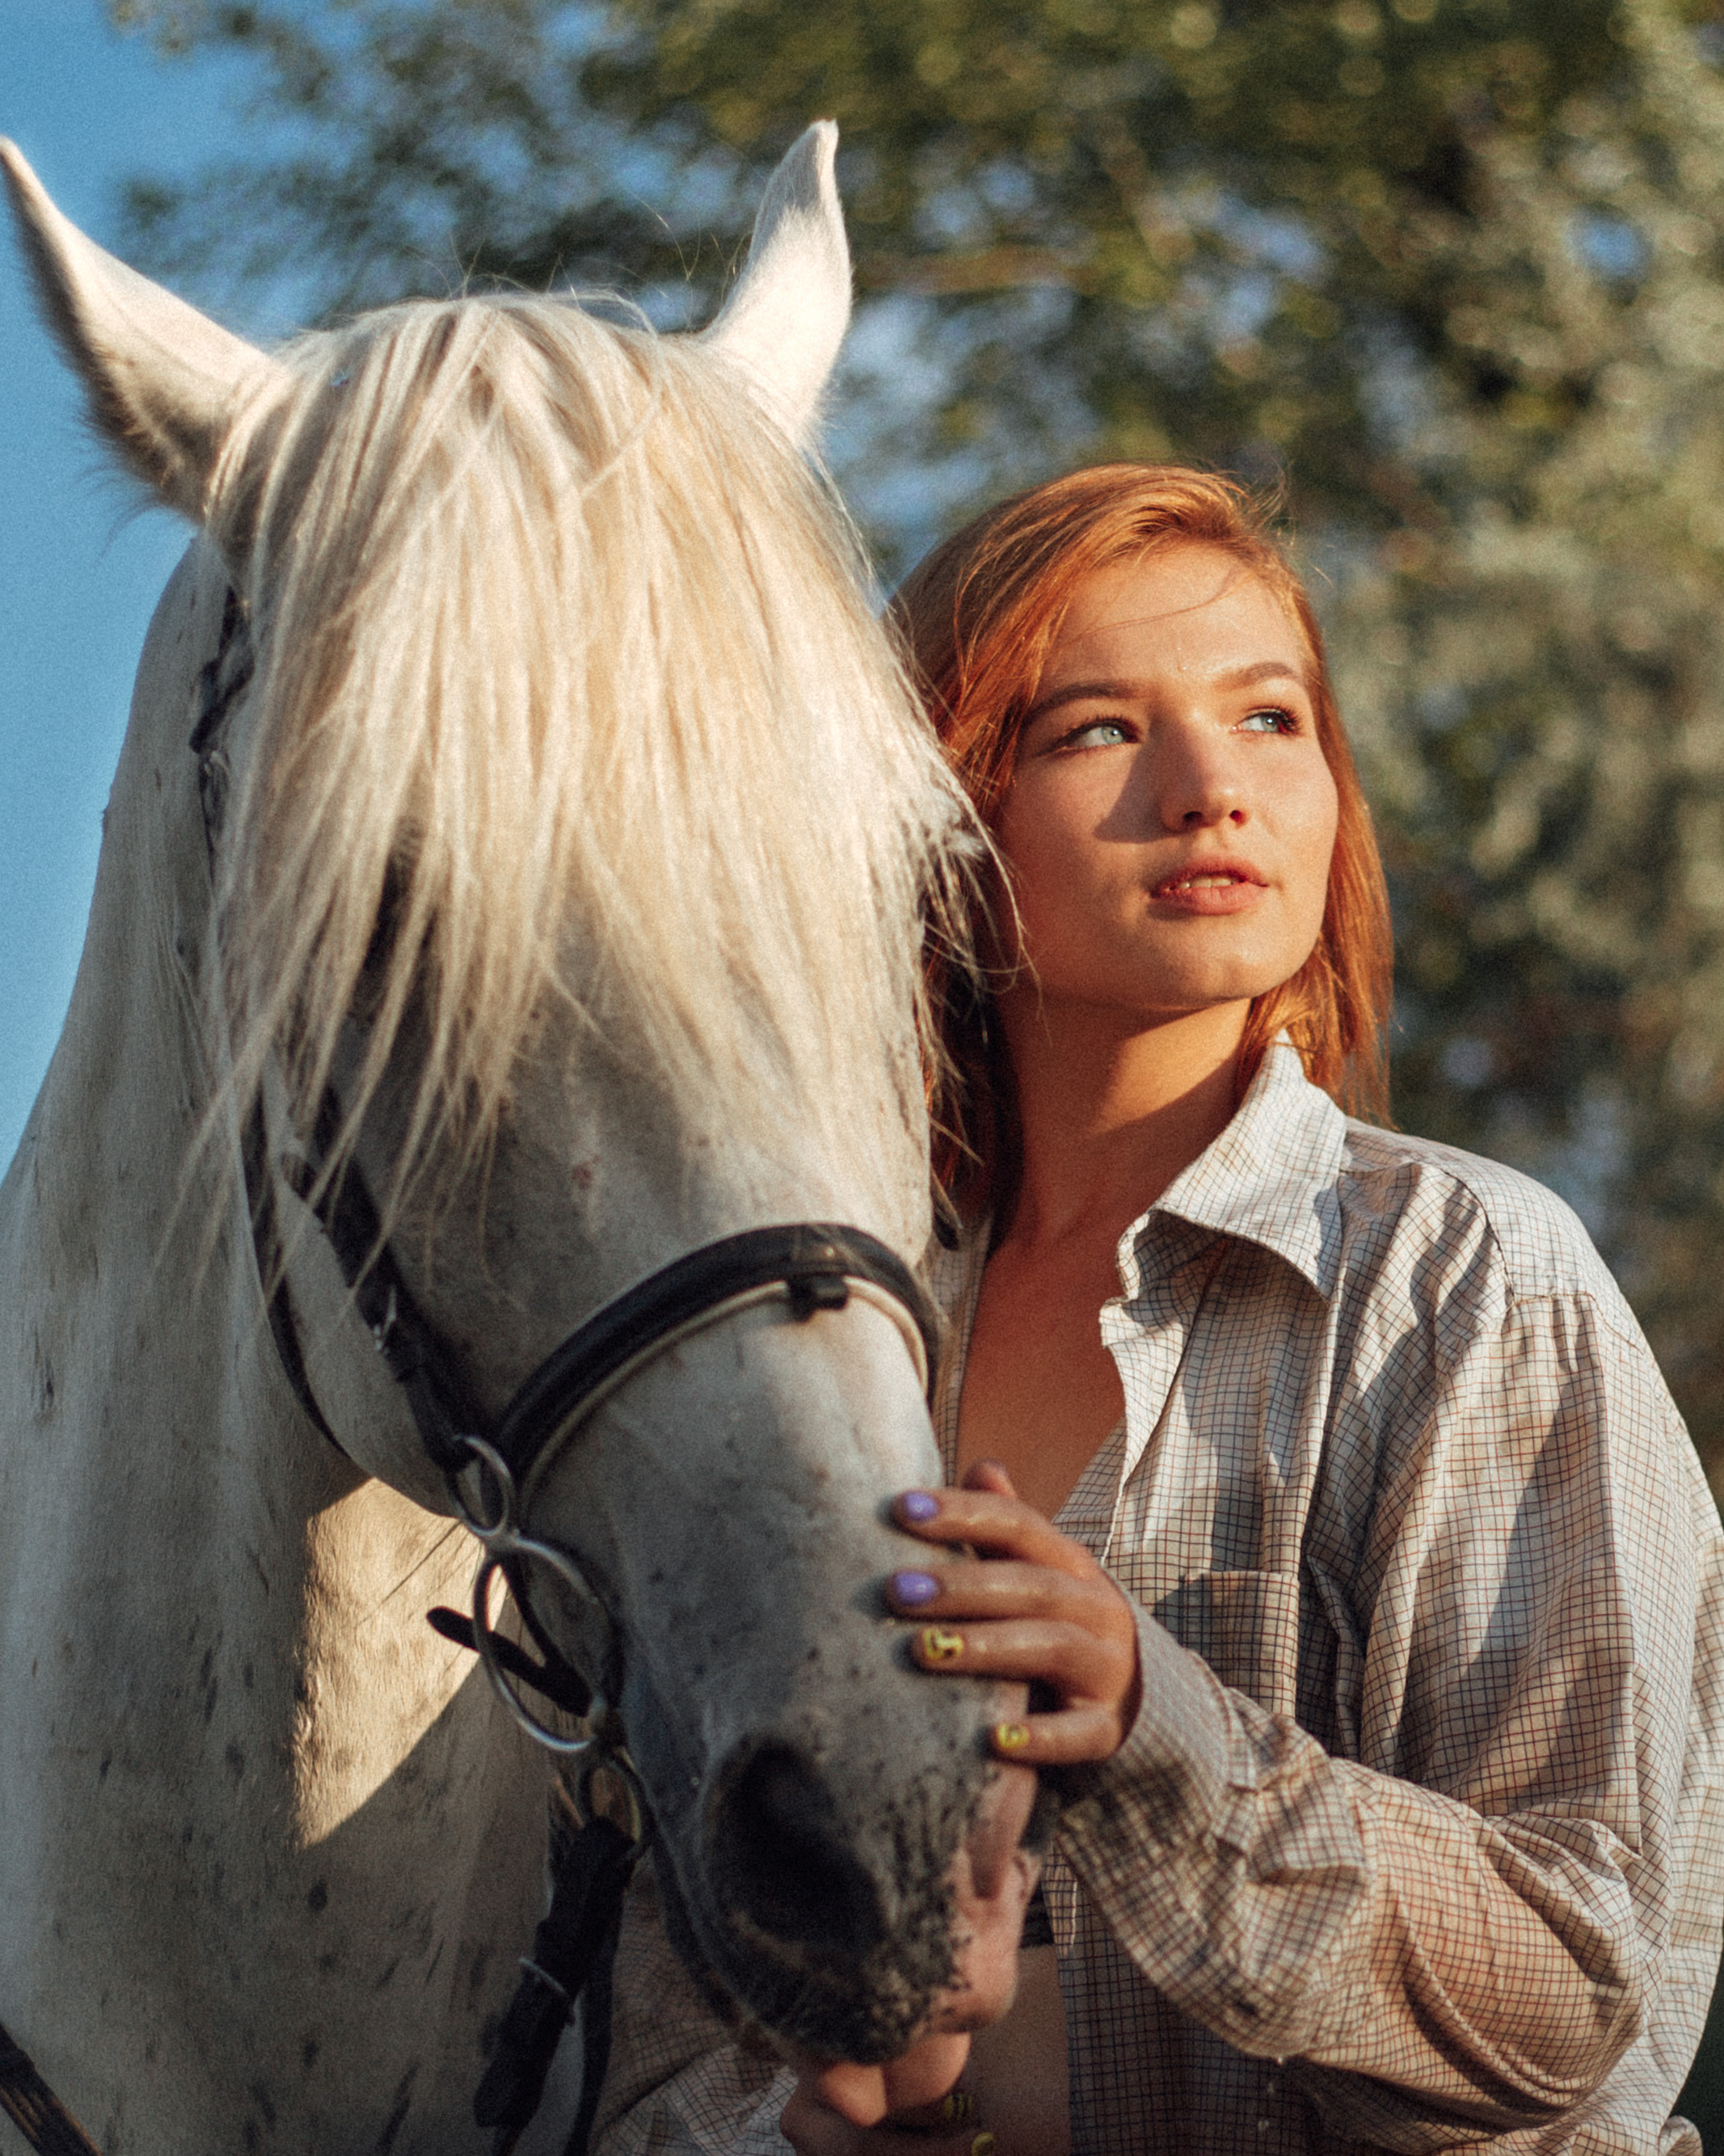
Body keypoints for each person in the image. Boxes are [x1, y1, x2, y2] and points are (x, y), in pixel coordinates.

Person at [594, 465, 1724, 2155]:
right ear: (935, 810)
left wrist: (1146, 1732)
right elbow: (651, 2002)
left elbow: (1573, 1981)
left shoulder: (1464, 1273)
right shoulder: (810, 1329)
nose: (1210, 790)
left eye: (1270, 717)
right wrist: (854, 2121)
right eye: (1099, 731)